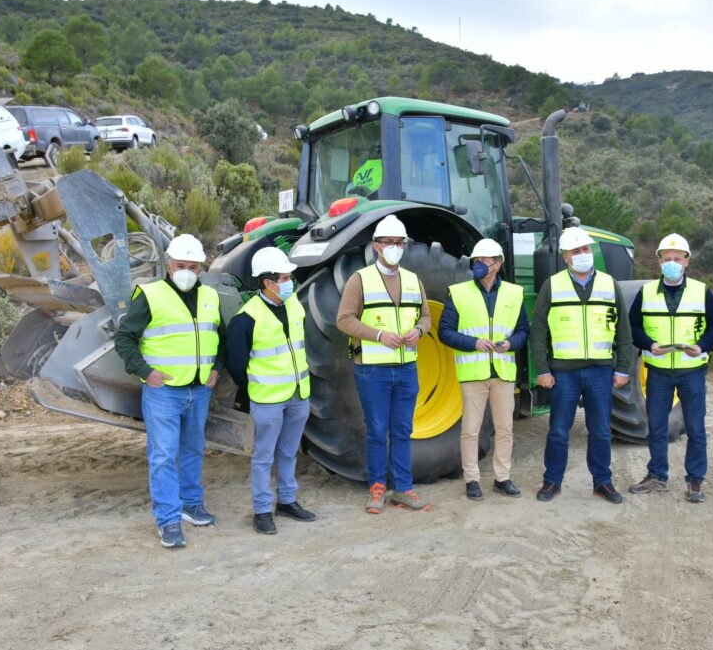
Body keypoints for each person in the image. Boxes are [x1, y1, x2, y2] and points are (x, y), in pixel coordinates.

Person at [113, 234, 225, 549]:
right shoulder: (151, 294)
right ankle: (168, 520)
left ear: (201, 266)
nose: (186, 271)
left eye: (193, 266)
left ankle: (191, 504)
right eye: (180, 265)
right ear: (168, 264)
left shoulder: (210, 297)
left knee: (194, 449)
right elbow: (124, 338)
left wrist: (217, 367)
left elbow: (221, 337)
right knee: (163, 455)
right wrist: (145, 372)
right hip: (164, 393)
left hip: (199, 389)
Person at [336, 214, 432, 513]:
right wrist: (378, 335)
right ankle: (377, 488)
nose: (395, 247)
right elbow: (343, 320)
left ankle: (403, 488)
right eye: (389, 242)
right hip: (373, 370)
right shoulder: (360, 280)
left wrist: (418, 331)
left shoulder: (414, 280)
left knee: (403, 430)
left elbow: (426, 317)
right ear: (376, 246)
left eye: (399, 243)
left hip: (406, 369)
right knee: (378, 430)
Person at [531, 226, 633, 504]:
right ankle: (552, 481)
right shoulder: (552, 285)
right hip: (564, 373)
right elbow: (538, 331)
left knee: (600, 431)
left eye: (586, 249)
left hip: (600, 372)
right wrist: (542, 369)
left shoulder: (609, 284)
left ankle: (603, 482)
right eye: (577, 251)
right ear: (566, 257)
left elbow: (623, 330)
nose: (583, 254)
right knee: (558, 431)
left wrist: (623, 368)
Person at [628, 233, 713, 503]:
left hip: (691, 369)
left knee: (695, 427)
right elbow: (633, 325)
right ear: (658, 261)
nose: (672, 262)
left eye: (677, 258)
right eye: (666, 259)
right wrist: (648, 343)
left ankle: (695, 480)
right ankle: (657, 475)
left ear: (687, 261)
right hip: (658, 369)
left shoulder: (701, 291)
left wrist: (702, 346)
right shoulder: (646, 292)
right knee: (656, 426)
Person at [226, 247, 316, 535]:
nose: (291, 282)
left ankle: (287, 500)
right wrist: (258, 388)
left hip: (298, 393)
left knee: (289, 452)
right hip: (267, 400)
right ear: (268, 282)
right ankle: (262, 509)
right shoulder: (246, 318)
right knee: (264, 456)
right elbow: (237, 365)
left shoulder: (295, 306)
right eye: (285, 277)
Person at [439, 238, 529, 501]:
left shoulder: (514, 293)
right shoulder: (458, 292)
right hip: (473, 374)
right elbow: (445, 332)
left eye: (484, 261)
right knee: (470, 430)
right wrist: (474, 343)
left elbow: (524, 330)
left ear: (497, 264)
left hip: (502, 373)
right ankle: (472, 480)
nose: (478, 265)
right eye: (475, 261)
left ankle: (502, 478)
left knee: (505, 429)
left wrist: (510, 343)